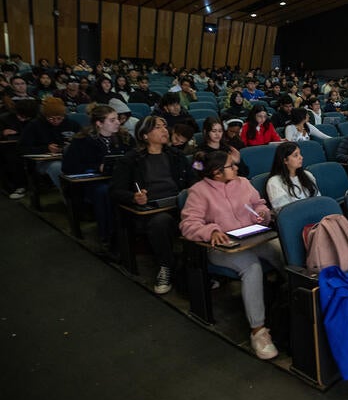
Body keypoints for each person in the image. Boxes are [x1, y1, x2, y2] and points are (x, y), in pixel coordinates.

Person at [180, 149, 280, 360]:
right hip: (222, 247)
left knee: (281, 251)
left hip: (252, 237)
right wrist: (211, 231)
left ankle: (296, 300)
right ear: (217, 172)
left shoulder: (243, 182)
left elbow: (259, 204)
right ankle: (258, 331)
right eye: (231, 165)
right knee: (252, 267)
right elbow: (188, 225)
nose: (236, 168)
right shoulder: (199, 191)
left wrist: (262, 213)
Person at [110, 115, 196, 294]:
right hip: (152, 210)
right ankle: (166, 266)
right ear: (144, 135)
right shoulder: (131, 160)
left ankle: (198, 270)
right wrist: (134, 197)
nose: (165, 130)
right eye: (158, 127)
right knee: (161, 222)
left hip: (179, 204)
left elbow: (193, 178)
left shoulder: (176, 155)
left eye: (165, 126)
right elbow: (115, 190)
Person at [62, 105, 135, 248]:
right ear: (99, 123)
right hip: (93, 182)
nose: (118, 123)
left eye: (117, 119)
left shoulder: (124, 137)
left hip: (119, 179)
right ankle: (108, 235)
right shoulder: (82, 141)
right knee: (105, 191)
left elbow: (135, 157)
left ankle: (131, 232)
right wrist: (97, 167)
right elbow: (69, 167)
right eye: (112, 120)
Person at [19, 97, 81, 189]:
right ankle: (69, 197)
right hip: (45, 161)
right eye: (51, 118)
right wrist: (45, 148)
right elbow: (22, 148)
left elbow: (84, 142)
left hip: (70, 157)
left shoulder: (72, 124)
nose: (55, 121)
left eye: (59, 118)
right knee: (57, 167)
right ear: (45, 116)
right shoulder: (34, 125)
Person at [266, 141, 319, 216]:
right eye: (295, 155)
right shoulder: (274, 182)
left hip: (315, 215)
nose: (301, 157)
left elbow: (318, 199)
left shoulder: (308, 175)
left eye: (300, 154)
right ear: (285, 160)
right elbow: (284, 212)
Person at [0, 99, 38, 199]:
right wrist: (2, 133)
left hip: (30, 146)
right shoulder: (5, 118)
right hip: (10, 147)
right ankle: (19, 186)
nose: (23, 119)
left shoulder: (35, 119)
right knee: (12, 158)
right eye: (21, 116)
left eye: (26, 117)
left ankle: (37, 184)